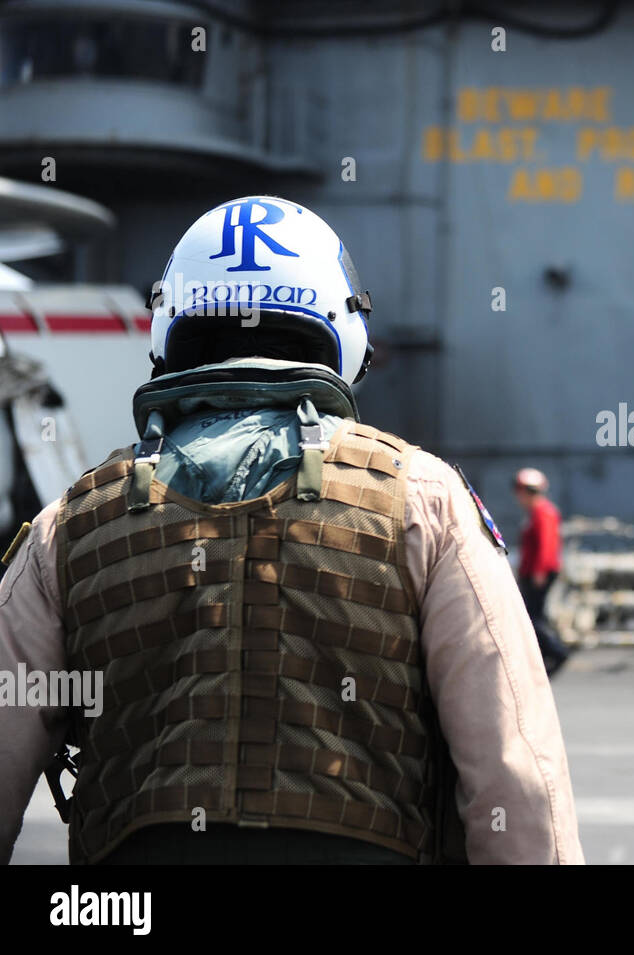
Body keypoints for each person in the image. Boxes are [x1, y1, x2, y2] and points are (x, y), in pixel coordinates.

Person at [0, 196, 583, 865]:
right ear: (345, 327)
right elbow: (517, 781)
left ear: (168, 330)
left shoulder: (69, 526)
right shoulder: (424, 499)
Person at [512, 467, 570, 674]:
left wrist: (539, 571)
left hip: (539, 573)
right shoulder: (537, 512)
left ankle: (556, 652)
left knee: (532, 617)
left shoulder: (542, 512)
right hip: (534, 572)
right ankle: (544, 654)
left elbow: (547, 544)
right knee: (535, 615)